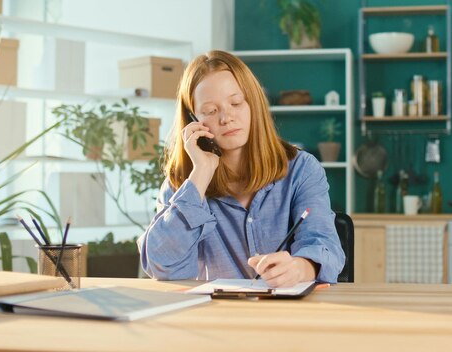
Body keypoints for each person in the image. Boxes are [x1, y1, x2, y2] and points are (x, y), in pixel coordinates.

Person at [137, 50, 345, 288]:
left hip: (288, 315)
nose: (226, 118)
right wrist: (200, 176)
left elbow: (325, 246)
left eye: (236, 103)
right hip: (217, 317)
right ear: (194, 119)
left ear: (253, 103)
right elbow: (162, 267)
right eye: (210, 111)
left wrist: (300, 268)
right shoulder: (184, 184)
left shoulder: (302, 169)